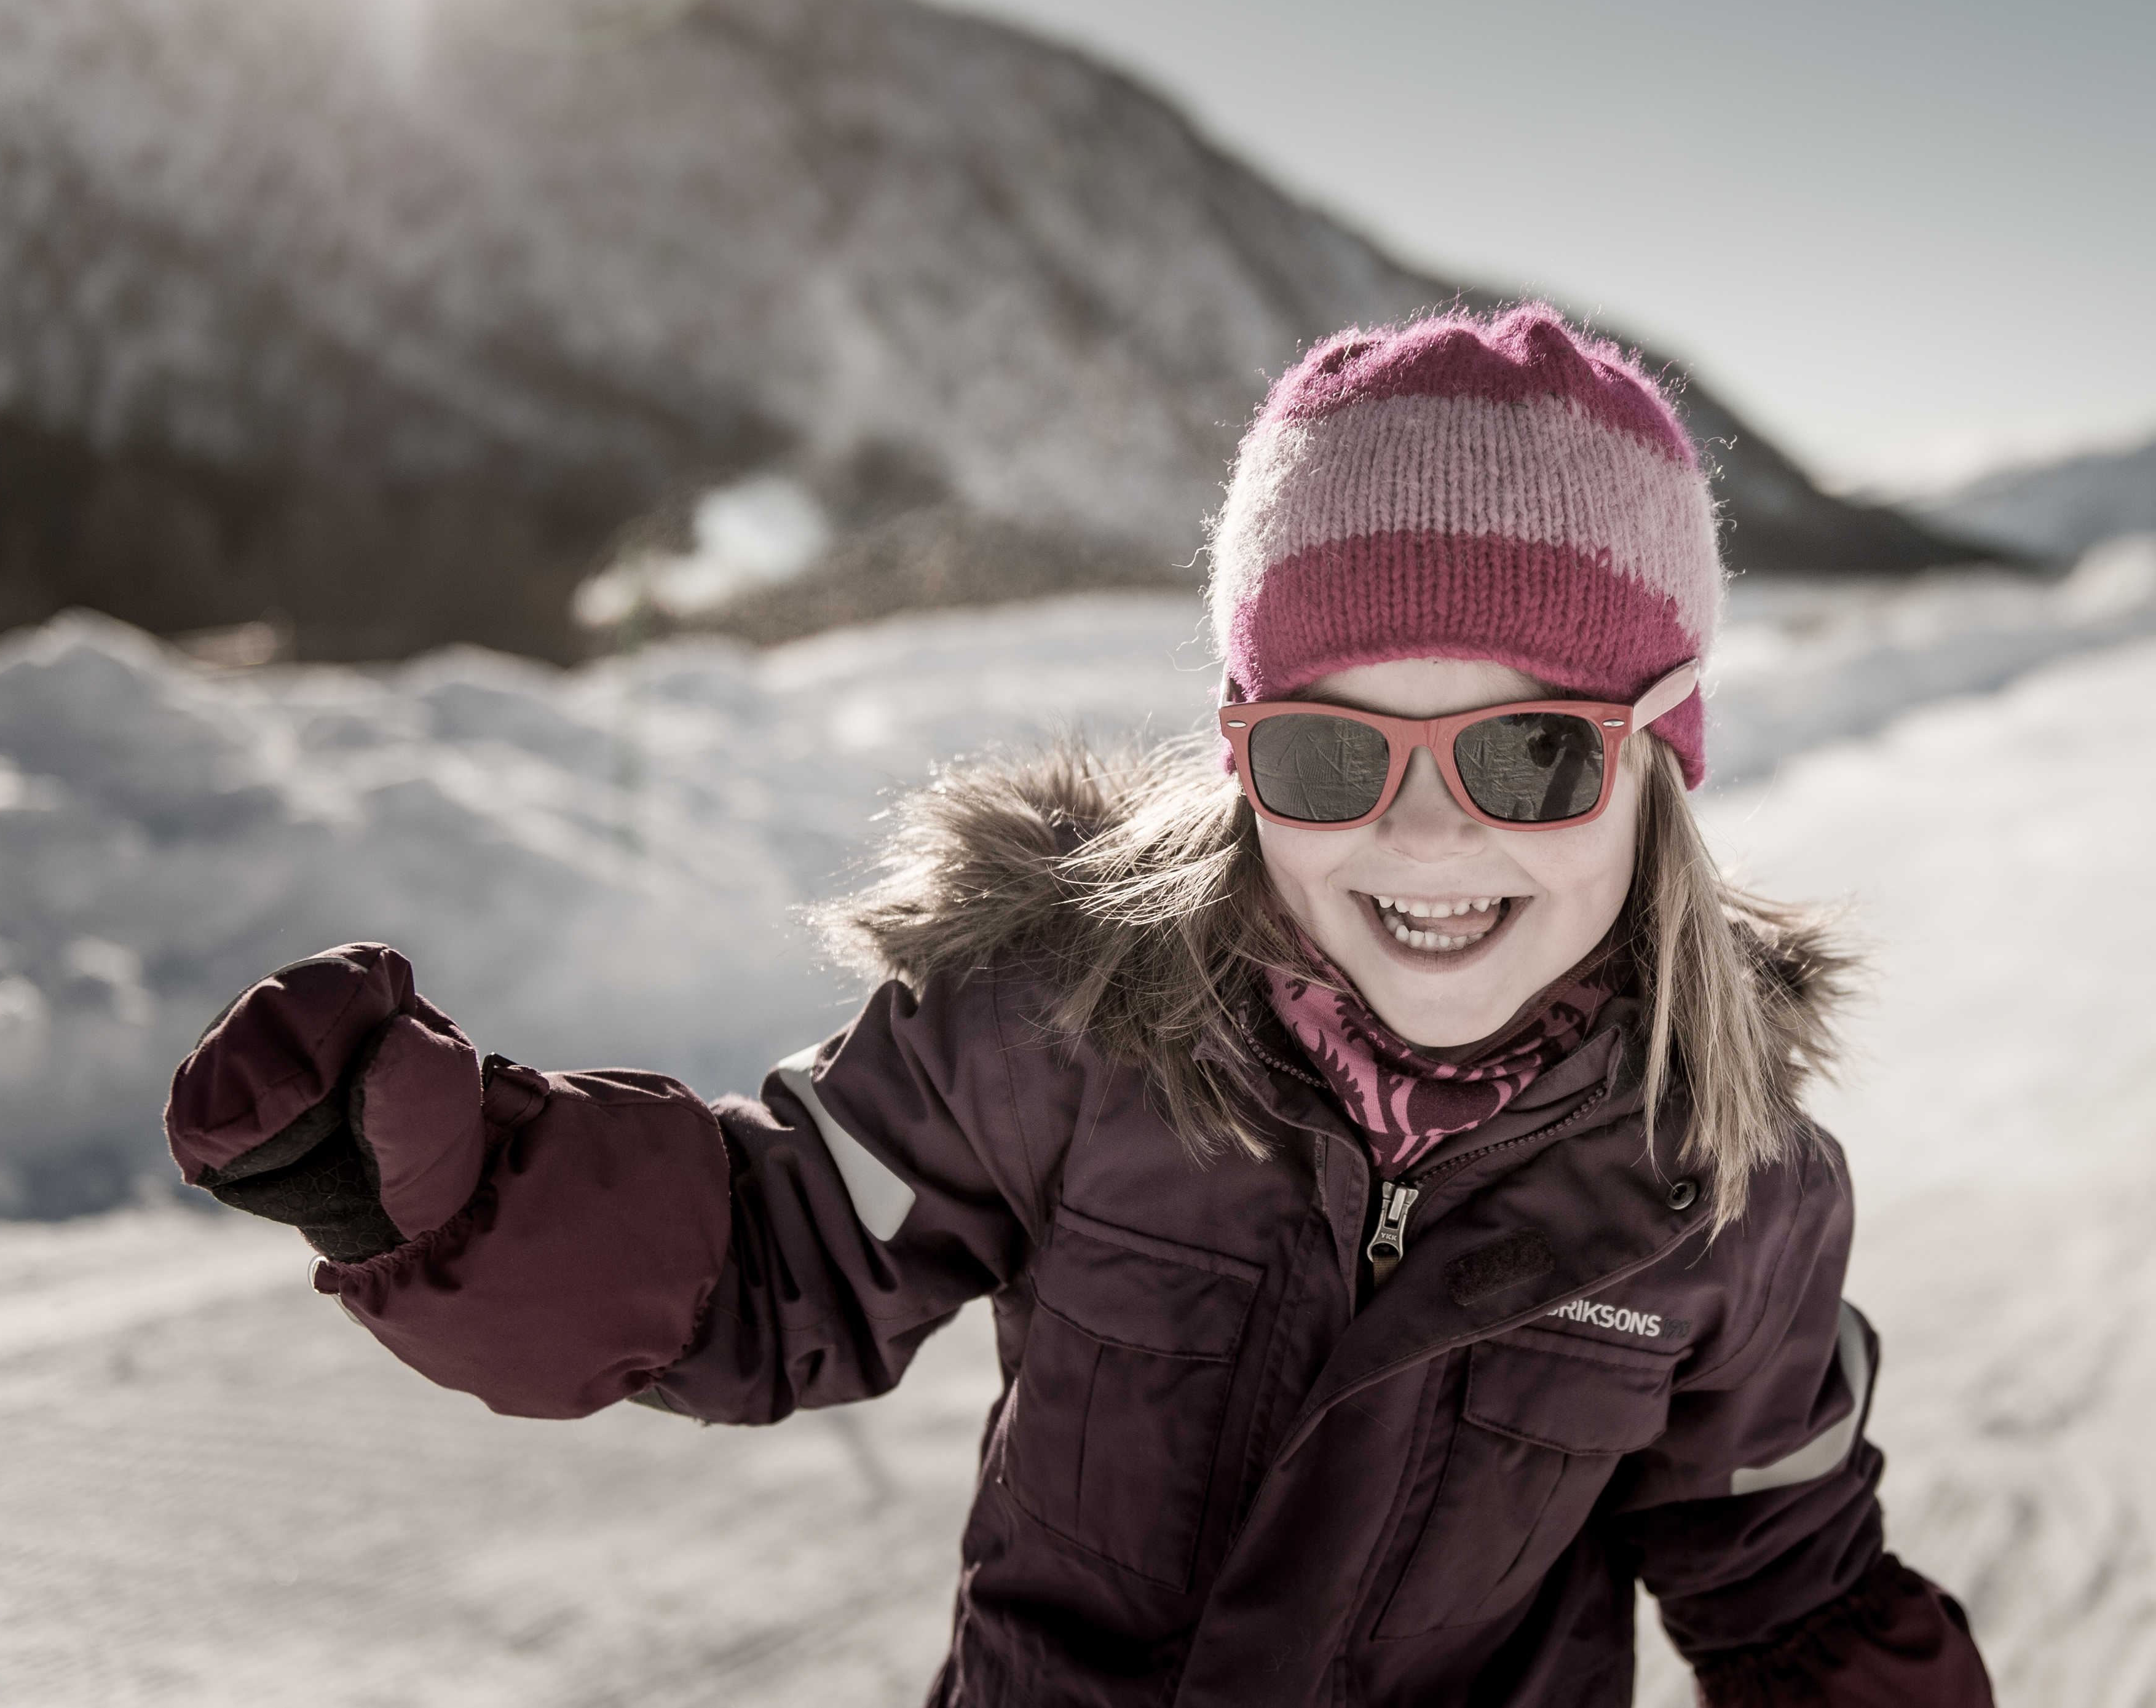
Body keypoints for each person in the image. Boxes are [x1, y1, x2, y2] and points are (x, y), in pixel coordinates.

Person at [165, 304, 1996, 1707]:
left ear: (1663, 766)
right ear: (1237, 753)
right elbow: (768, 1254)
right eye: (1327, 746)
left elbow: (1793, 1580)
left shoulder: (1730, 1185)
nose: (1424, 828)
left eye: (1532, 751)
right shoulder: (1067, 1027)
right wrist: (456, 1185)